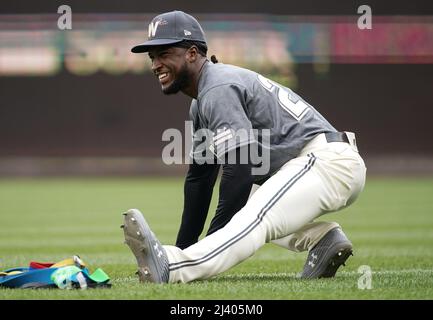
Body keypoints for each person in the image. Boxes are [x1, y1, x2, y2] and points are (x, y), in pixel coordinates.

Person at [122, 10, 366, 283]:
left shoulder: (217, 88)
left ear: (192, 53)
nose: (155, 64)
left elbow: (239, 171)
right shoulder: (202, 99)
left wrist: (208, 246)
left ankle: (173, 267)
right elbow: (200, 180)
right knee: (250, 201)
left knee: (254, 215)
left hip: (326, 161)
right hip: (311, 165)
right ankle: (322, 239)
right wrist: (187, 244)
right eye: (152, 56)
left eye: (164, 53)